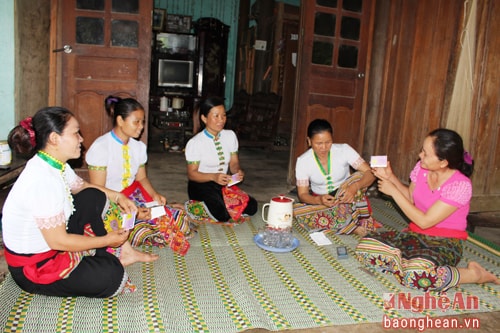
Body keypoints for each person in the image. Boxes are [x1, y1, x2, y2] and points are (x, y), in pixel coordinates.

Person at [2, 107, 158, 298]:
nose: (81, 139)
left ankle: (119, 252)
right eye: (76, 133)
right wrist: (107, 240)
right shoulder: (42, 181)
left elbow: (83, 187)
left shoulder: (54, 164)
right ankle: (104, 255)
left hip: (55, 243)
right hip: (36, 266)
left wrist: (118, 197)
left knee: (94, 196)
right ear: (54, 138)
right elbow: (58, 241)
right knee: (111, 275)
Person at [356, 128, 499, 291]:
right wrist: (391, 177)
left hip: (444, 241)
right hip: (414, 234)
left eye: (426, 154)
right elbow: (411, 199)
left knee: (418, 276)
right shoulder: (421, 169)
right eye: (422, 151)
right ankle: (410, 264)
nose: (420, 156)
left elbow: (425, 222)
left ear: (443, 162)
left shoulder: (460, 185)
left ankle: (473, 274)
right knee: (365, 247)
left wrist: (393, 192)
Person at [85, 96, 194, 250]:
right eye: (136, 122)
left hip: (136, 198)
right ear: (120, 120)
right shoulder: (101, 147)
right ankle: (142, 227)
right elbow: (97, 190)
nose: (141, 127)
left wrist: (154, 195)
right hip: (112, 204)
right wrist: (132, 211)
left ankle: (149, 222)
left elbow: (141, 178)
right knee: (138, 232)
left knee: (180, 219)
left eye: (142, 122)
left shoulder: (139, 148)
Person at [293, 119, 377, 235]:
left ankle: (345, 223)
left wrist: (354, 188)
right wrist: (318, 200)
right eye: (318, 143)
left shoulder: (344, 150)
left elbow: (370, 173)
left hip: (347, 196)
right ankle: (350, 225)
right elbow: (303, 195)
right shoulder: (303, 161)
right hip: (324, 202)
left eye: (328, 142)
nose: (324, 147)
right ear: (309, 141)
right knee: (297, 211)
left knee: (359, 176)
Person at [185, 96, 258, 223]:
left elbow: (234, 163)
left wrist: (237, 172)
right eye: (216, 116)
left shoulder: (230, 136)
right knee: (222, 214)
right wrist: (213, 177)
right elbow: (192, 174)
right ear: (204, 118)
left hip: (222, 183)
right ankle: (189, 207)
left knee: (252, 206)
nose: (221, 120)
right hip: (200, 185)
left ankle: (215, 204)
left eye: (223, 115)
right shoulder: (195, 143)